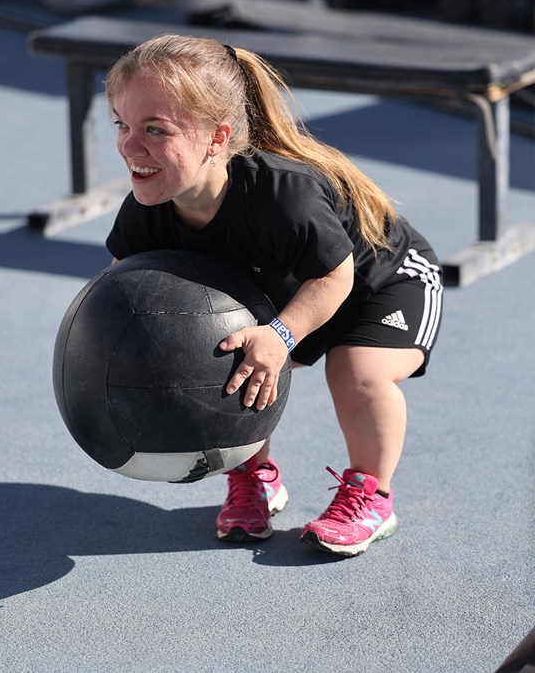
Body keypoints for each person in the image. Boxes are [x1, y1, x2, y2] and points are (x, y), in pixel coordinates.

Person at [104, 34, 443, 557]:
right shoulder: (150, 207)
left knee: (355, 372)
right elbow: (126, 288)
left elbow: (335, 277)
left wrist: (282, 334)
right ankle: (254, 475)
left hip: (379, 281)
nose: (130, 145)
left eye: (156, 129)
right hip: (290, 288)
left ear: (217, 139)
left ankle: (372, 495)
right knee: (215, 350)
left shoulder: (281, 193)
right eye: (123, 126)